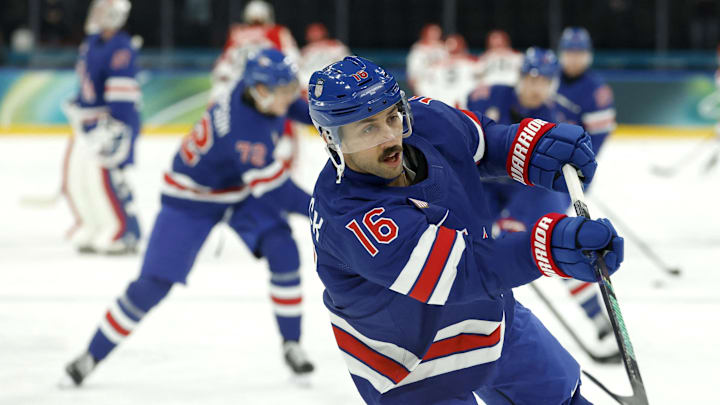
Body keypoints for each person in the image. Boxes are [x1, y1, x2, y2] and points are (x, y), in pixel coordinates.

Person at [306, 56, 624, 404]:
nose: (390, 137)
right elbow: (460, 271)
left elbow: (484, 141)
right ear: (330, 138)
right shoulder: (348, 214)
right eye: (367, 128)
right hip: (408, 362)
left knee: (559, 396)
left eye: (392, 116)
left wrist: (532, 148)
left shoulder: (428, 118)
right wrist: (547, 248)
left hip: (486, 314)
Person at [62, 49, 315, 387]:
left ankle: (291, 344)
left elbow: (299, 108)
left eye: (289, 88)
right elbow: (279, 192)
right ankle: (91, 355)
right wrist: (323, 209)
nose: (289, 96)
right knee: (152, 285)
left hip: (235, 188)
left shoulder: (252, 90)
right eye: (283, 90)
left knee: (283, 249)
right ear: (261, 91)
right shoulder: (245, 135)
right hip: (189, 199)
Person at [468, 48, 620, 353]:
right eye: (532, 77)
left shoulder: (556, 119)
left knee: (554, 240)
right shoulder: (484, 95)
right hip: (485, 185)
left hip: (530, 189)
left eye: (545, 80)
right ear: (521, 75)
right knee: (464, 239)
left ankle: (596, 317)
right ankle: (466, 313)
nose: (536, 86)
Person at [62, 0, 141, 255]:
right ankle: (93, 225)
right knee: (78, 179)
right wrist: (79, 104)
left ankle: (123, 230)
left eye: (101, 11)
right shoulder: (92, 43)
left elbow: (122, 94)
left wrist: (117, 126)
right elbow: (88, 84)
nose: (95, 15)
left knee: (104, 179)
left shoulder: (121, 47)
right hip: (88, 124)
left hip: (108, 124)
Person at [210, 0, 300, 102]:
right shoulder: (277, 31)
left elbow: (223, 63)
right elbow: (293, 57)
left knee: (217, 99)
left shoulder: (237, 32)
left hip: (237, 81)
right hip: (267, 83)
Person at [556, 27, 616, 154]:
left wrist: (579, 165)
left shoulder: (598, 91)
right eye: (570, 52)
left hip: (573, 156)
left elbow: (597, 140)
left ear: (588, 55)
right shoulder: (548, 78)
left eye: (579, 53)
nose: (574, 59)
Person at [298, 22, 350, 98]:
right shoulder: (305, 51)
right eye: (312, 32)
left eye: (317, 31)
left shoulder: (336, 46)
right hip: (308, 85)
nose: (315, 34)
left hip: (331, 82)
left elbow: (347, 63)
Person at [406, 23, 448, 95]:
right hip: (425, 85)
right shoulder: (418, 50)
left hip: (443, 86)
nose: (435, 35)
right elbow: (412, 75)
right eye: (433, 32)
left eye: (437, 32)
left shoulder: (444, 48)